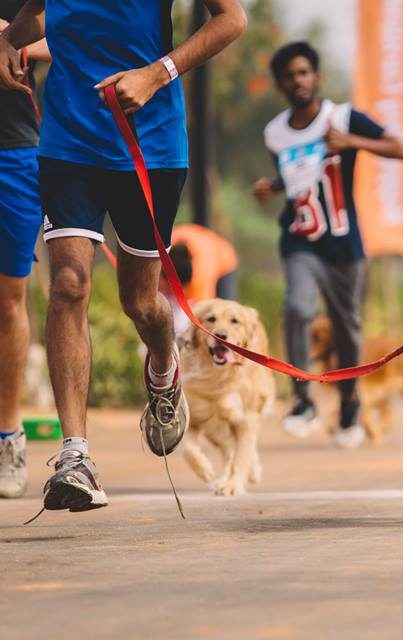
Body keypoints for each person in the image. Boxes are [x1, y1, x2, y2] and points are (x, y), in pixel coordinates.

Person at [0, 0, 246, 514]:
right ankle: (76, 456)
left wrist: (158, 74)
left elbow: (231, 19)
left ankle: (163, 366)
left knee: (142, 302)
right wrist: (7, 40)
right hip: (67, 140)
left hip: (150, 141)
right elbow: (34, 15)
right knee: (67, 284)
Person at [252, 41, 403, 449]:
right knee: (298, 308)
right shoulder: (275, 133)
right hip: (300, 240)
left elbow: (399, 147)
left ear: (316, 77)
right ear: (280, 85)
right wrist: (273, 186)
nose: (297, 80)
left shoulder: (343, 117)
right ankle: (303, 400)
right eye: (289, 76)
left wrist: (354, 142)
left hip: (343, 243)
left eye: (304, 72)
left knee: (346, 327)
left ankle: (350, 401)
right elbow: (299, 176)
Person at [0, 4, 49, 500]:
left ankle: (7, 437)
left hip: (12, 149)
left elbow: (69, 31)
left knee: (9, 299)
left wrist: (14, 37)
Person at [159, 223, 238, 336]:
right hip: (192, 237)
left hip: (224, 259)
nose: (172, 291)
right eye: (169, 286)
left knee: (224, 314)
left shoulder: (201, 277)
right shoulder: (158, 258)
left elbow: (206, 312)